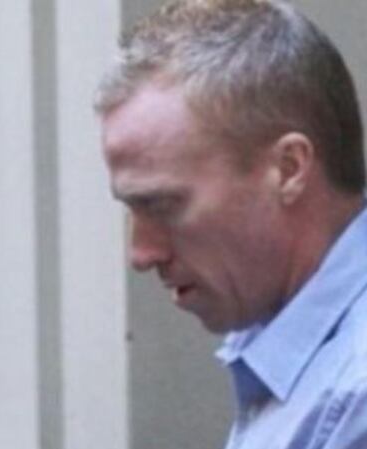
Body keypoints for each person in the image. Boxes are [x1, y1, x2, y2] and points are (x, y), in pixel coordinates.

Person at [97, 0, 367, 448]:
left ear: (289, 168)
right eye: (132, 208)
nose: (141, 253)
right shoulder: (278, 333)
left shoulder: (354, 394)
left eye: (163, 204)